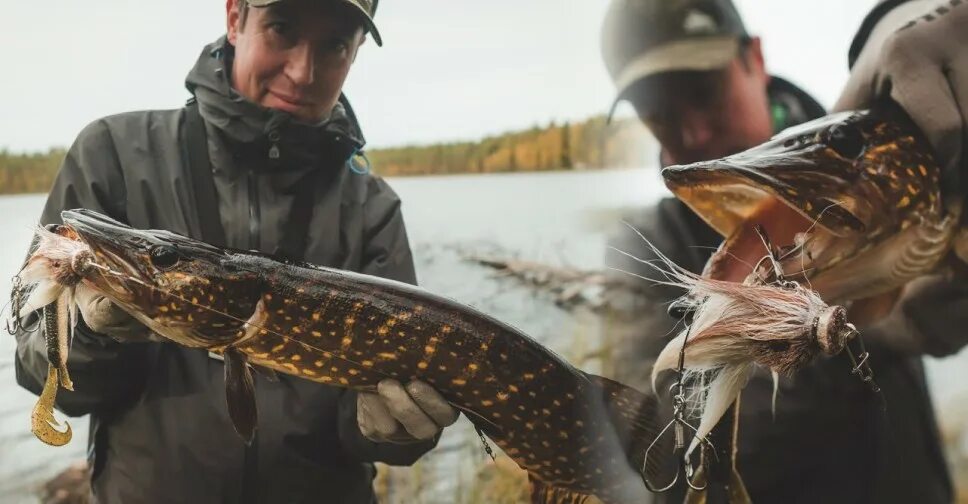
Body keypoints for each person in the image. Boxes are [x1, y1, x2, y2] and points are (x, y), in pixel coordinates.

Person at [13, 1, 459, 502]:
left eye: (333, 45)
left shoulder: (371, 206)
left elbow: (372, 430)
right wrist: (92, 337)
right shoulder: (111, 154)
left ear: (354, 54)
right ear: (234, 18)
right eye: (282, 29)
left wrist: (397, 431)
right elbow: (38, 370)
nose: (302, 71)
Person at [600, 0, 960, 502]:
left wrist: (900, 17)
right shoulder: (643, 249)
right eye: (659, 113)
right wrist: (862, 338)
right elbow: (663, 452)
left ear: (756, 59)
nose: (694, 134)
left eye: (704, 92)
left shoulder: (867, 143)